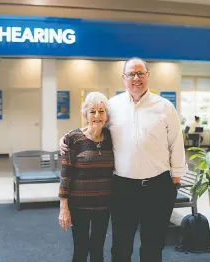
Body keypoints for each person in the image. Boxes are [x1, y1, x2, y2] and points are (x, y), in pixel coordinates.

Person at [60, 57, 187, 262]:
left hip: (158, 186)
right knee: (121, 245)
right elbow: (93, 126)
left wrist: (176, 178)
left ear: (148, 75)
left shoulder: (165, 107)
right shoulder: (112, 106)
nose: (136, 78)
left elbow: (176, 142)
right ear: (123, 78)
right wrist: (66, 138)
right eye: (131, 74)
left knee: (153, 245)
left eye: (141, 73)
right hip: (123, 188)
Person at [58, 92, 115, 262]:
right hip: (79, 205)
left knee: (98, 249)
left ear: (106, 115)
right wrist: (64, 207)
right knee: (80, 249)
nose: (97, 116)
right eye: (92, 111)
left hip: (104, 204)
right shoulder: (73, 138)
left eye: (101, 111)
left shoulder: (112, 137)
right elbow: (65, 175)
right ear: (85, 114)